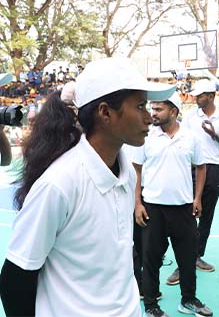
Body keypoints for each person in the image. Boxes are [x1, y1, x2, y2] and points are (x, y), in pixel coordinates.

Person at [0, 57, 175, 317]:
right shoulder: (59, 184)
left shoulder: (126, 173)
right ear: (105, 113)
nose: (149, 118)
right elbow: (16, 278)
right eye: (140, 106)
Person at [132, 92, 213, 317]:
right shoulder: (146, 136)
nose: (153, 113)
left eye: (159, 109)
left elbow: (201, 166)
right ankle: (151, 305)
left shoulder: (190, 137)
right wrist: (137, 203)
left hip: (183, 208)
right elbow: (136, 170)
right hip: (153, 208)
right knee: (151, 259)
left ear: (174, 111)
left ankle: (188, 299)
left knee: (187, 258)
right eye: (153, 109)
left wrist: (197, 198)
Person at [166, 79, 219, 284]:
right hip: (191, 169)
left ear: (211, 96)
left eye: (200, 95)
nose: (196, 98)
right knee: (187, 215)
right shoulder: (189, 116)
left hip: (213, 169)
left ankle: (195, 256)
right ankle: (184, 262)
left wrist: (214, 135)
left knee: (206, 216)